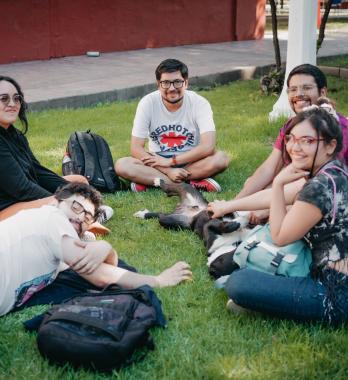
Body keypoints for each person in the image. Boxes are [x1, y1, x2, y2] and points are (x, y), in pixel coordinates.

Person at [0, 182, 192, 345]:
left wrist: (107, 248)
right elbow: (98, 275)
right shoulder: (51, 218)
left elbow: (104, 267)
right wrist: (158, 280)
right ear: (57, 202)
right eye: (76, 207)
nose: (80, 218)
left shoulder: (58, 248)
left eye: (87, 217)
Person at [211, 107, 348, 325]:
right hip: (328, 274)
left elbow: (280, 236)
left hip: (335, 294)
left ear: (331, 145)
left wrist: (278, 183)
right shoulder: (334, 172)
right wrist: (229, 205)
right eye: (291, 139)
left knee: (239, 283)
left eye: (307, 141)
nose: (295, 147)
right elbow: (276, 197)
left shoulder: (319, 187)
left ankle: (271, 307)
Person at [0, 75, 110, 237]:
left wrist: (77, 192)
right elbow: (23, 189)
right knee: (55, 203)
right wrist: (69, 201)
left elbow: (39, 172)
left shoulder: (11, 133)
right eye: (4, 99)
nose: (13, 104)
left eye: (16, 98)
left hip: (18, 203)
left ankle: (82, 216)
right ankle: (85, 222)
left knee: (80, 182)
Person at [235, 64, 348, 224]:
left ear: (322, 92)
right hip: (301, 185)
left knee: (272, 201)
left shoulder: (338, 128)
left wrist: (269, 207)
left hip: (328, 192)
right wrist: (235, 203)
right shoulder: (292, 125)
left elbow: (318, 182)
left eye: (306, 88)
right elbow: (269, 168)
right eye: (293, 89)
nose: (299, 94)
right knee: (252, 184)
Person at [115, 58, 229, 193]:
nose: (172, 88)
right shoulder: (147, 103)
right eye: (166, 83)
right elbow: (136, 148)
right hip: (157, 161)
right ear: (158, 84)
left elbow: (208, 146)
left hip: (191, 160)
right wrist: (167, 170)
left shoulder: (199, 103)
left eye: (177, 82)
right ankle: (189, 184)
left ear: (186, 83)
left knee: (221, 159)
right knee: (122, 165)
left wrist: (171, 162)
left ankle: (152, 181)